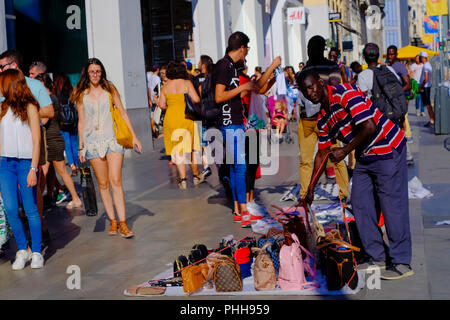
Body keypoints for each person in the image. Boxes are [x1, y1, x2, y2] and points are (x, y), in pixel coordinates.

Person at [298, 68, 413, 280]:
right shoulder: (323, 118)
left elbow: (369, 126)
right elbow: (322, 153)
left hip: (387, 147)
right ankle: (376, 256)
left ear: (320, 83)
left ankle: (401, 261)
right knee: (360, 203)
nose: (310, 92)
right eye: (305, 91)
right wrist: (310, 188)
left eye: (311, 86)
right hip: (365, 155)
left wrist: (344, 150)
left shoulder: (345, 93)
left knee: (391, 206)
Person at [73, 58, 142, 238]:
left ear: (101, 72)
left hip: (112, 140)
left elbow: (122, 112)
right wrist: (81, 147)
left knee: (116, 181)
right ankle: (112, 220)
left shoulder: (109, 88)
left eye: (98, 71)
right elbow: (81, 122)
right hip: (92, 142)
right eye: (92, 72)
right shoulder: (81, 93)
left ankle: (123, 223)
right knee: (103, 184)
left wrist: (134, 137)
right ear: (86, 74)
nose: (95, 75)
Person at [0, 50, 54, 247]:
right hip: (7, 151)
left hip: (31, 144)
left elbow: (49, 111)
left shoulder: (34, 85)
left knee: (33, 192)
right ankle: (22, 238)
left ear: (13, 65)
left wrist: (24, 108)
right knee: (11, 202)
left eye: (2, 66)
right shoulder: (2, 86)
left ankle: (37, 232)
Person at [213, 31, 260, 228]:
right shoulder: (224, 66)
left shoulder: (230, 66)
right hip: (229, 123)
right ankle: (243, 210)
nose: (246, 53)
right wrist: (242, 89)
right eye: (246, 49)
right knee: (240, 167)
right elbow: (219, 96)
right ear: (241, 48)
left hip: (235, 121)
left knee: (235, 167)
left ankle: (239, 211)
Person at [296, 35, 349, 201]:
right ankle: (305, 194)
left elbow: (335, 87)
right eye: (309, 49)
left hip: (327, 119)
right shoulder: (303, 70)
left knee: (336, 156)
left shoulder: (331, 66)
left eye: (313, 49)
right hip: (307, 120)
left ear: (320, 50)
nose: (310, 52)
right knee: (305, 160)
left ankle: (344, 193)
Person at [0, 69, 44, 270]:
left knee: (30, 208)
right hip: (5, 163)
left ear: (11, 84)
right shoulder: (1, 107)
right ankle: (22, 249)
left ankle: (36, 251)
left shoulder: (31, 107)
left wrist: (34, 168)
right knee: (10, 208)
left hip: (26, 163)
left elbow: (37, 140)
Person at [36, 73, 83, 210]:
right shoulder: (52, 98)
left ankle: (37, 204)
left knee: (46, 175)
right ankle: (70, 198)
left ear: (43, 85)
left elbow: (43, 121)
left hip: (51, 140)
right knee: (53, 173)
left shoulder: (48, 99)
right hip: (53, 139)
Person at [157, 60, 202, 189]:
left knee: (178, 151)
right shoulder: (186, 83)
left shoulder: (165, 86)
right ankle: (195, 175)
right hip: (185, 118)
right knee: (192, 149)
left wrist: (171, 105)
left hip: (170, 119)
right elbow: (196, 99)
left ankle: (182, 180)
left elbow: (161, 105)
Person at [53, 73, 79, 177]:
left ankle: (72, 166)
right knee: (74, 143)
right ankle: (76, 165)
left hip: (63, 122)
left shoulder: (56, 93)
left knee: (67, 145)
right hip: (73, 121)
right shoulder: (71, 91)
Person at [418, 51, 435, 127]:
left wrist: (420, 87)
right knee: (428, 105)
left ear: (423, 58)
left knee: (428, 105)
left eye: (420, 57)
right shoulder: (427, 65)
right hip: (427, 87)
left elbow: (426, 79)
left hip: (425, 87)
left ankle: (432, 119)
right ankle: (432, 119)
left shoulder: (425, 66)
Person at [147, 64, 161, 139]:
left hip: (151, 99)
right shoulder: (157, 78)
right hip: (157, 99)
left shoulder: (150, 77)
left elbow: (149, 89)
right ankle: (156, 133)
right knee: (157, 117)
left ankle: (154, 132)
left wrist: (149, 99)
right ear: (158, 69)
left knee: (152, 116)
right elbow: (159, 90)